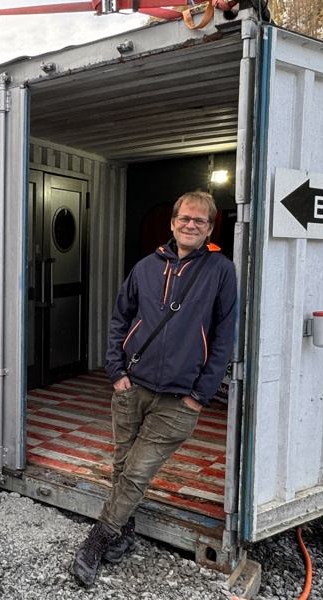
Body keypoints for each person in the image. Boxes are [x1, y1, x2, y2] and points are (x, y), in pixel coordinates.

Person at [70, 190, 238, 587]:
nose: (191, 225)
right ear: (172, 222)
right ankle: (125, 533)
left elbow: (225, 337)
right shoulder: (146, 266)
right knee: (123, 466)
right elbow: (120, 317)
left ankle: (96, 540)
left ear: (210, 227)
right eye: (185, 218)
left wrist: (201, 395)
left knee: (137, 471)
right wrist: (116, 371)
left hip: (180, 398)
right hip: (132, 387)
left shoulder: (220, 271)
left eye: (200, 220)